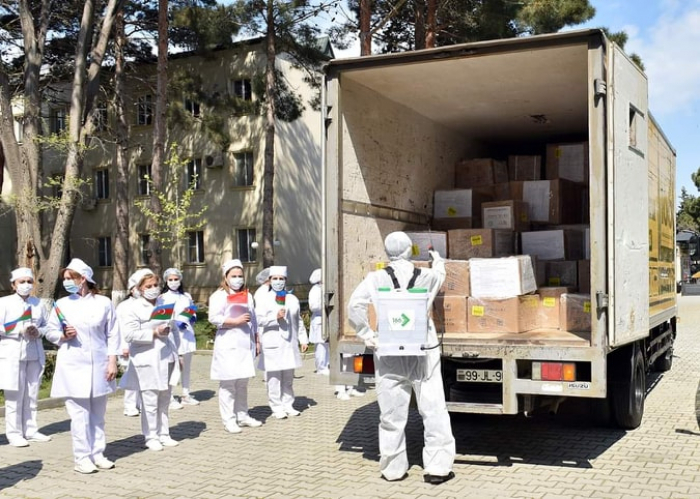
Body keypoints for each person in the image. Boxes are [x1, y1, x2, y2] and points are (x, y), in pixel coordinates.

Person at [347, 232, 455, 484]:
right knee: (433, 408)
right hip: (423, 350)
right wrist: (436, 258)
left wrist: (367, 335)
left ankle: (393, 469)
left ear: (387, 253)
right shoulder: (426, 276)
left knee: (391, 413)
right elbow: (441, 274)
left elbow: (354, 305)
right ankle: (437, 469)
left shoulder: (375, 278)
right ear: (410, 251)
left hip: (389, 349)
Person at [45, 258, 120, 474]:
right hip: (72, 365)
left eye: (71, 278)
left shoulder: (103, 303)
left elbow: (113, 333)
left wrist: (112, 360)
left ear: (83, 278)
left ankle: (98, 453)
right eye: (65, 279)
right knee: (79, 415)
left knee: (98, 414)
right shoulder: (62, 304)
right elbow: (50, 330)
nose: (67, 282)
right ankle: (81, 457)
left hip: (99, 364)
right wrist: (62, 335)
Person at [118, 269, 180, 452]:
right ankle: (151, 435)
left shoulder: (165, 303)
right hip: (146, 357)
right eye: (148, 286)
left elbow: (174, 329)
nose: (153, 289)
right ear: (139, 288)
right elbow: (129, 334)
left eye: (155, 285)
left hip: (166, 355)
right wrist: (153, 332)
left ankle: (164, 433)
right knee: (150, 399)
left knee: (165, 397)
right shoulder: (132, 307)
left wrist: (178, 354)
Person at [208, 259, 262, 434]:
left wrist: (257, 339)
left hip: (245, 343)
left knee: (242, 382)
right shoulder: (219, 296)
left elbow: (254, 319)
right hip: (228, 342)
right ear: (226, 277)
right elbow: (213, 318)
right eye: (234, 276)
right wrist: (234, 321)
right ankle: (229, 419)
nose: (238, 279)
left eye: (240, 276)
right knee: (228, 384)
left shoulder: (248, 295)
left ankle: (242, 415)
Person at [0, 267, 52, 447]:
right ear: (13, 285)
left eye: (29, 282)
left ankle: (30, 429)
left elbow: (48, 326)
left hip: (33, 353)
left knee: (31, 393)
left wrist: (38, 331)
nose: (26, 285)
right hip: (12, 354)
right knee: (14, 395)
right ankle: (14, 433)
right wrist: (18, 330)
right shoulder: (4, 303)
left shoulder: (38, 303)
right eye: (21, 282)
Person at [255, 265, 309, 419]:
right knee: (273, 379)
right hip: (272, 342)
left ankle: (288, 404)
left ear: (286, 280)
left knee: (288, 377)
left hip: (289, 344)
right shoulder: (264, 298)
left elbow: (297, 320)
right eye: (275, 279)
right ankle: (276, 407)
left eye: (281, 279)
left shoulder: (292, 298)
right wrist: (275, 318)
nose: (278, 282)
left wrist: (303, 339)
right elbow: (259, 320)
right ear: (270, 280)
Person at [161, 268, 199, 408]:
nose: (173, 282)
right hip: (171, 335)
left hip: (186, 334)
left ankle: (186, 394)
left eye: (176, 279)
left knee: (186, 366)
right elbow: (161, 317)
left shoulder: (186, 296)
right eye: (170, 280)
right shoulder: (162, 297)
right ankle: (169, 397)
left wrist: (192, 317)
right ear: (166, 281)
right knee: (172, 367)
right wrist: (173, 323)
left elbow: (192, 310)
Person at [117, 270, 147, 418]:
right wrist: (123, 346)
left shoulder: (147, 304)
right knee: (131, 376)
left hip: (145, 346)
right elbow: (119, 329)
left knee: (144, 376)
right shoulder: (124, 306)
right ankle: (129, 405)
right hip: (128, 345)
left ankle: (142, 403)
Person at [308, 268, 329, 375]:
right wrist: (324, 304)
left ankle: (326, 364)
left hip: (325, 319)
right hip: (319, 319)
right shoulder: (315, 290)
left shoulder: (323, 288)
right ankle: (321, 367)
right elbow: (313, 306)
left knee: (326, 344)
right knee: (321, 345)